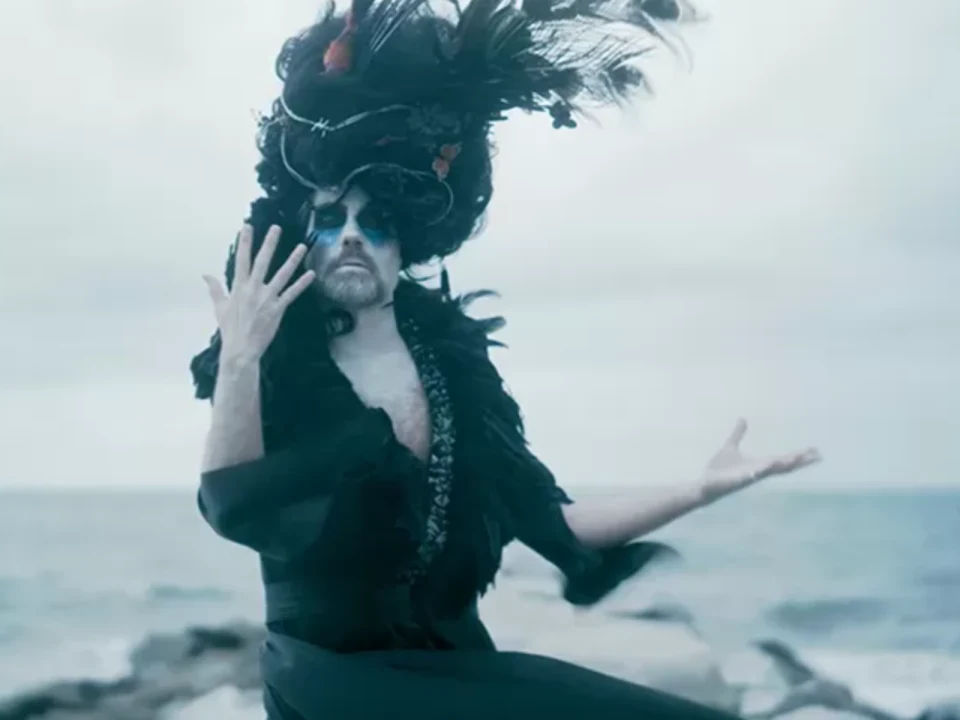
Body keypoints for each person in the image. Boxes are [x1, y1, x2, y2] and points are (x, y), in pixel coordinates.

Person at [189, 0, 822, 716]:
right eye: (332, 219)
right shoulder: (278, 353)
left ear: (410, 243)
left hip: (455, 664)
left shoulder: (454, 369)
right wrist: (240, 358)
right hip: (331, 679)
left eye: (379, 222)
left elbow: (554, 521)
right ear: (308, 237)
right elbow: (230, 502)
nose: (355, 236)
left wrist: (698, 491)